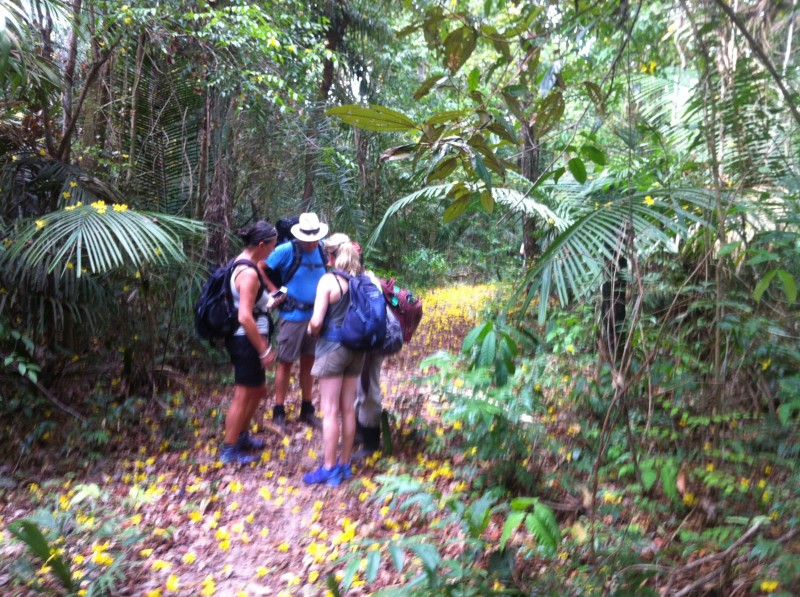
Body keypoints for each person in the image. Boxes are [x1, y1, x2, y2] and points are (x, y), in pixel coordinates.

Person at [303, 234, 365, 486]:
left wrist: (310, 331)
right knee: (347, 409)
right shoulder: (361, 279)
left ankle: (329, 469)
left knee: (329, 411)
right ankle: (345, 464)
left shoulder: (329, 280)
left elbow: (317, 321)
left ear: (330, 256)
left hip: (332, 348)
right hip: (356, 350)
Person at [220, 221, 280, 465]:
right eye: (273, 247)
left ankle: (241, 436)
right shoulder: (249, 274)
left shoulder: (242, 262)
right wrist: (264, 349)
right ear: (263, 245)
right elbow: (245, 316)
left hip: (244, 339)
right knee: (243, 394)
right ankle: (229, 448)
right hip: (245, 341)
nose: (273, 252)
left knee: (259, 390)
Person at [264, 212, 328, 430]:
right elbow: (260, 268)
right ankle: (278, 411)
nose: (311, 243)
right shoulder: (286, 250)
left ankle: (307, 409)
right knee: (285, 363)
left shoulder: (323, 249)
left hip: (315, 318)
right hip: (292, 316)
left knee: (309, 363)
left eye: (314, 238)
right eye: (307, 239)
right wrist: (273, 291)